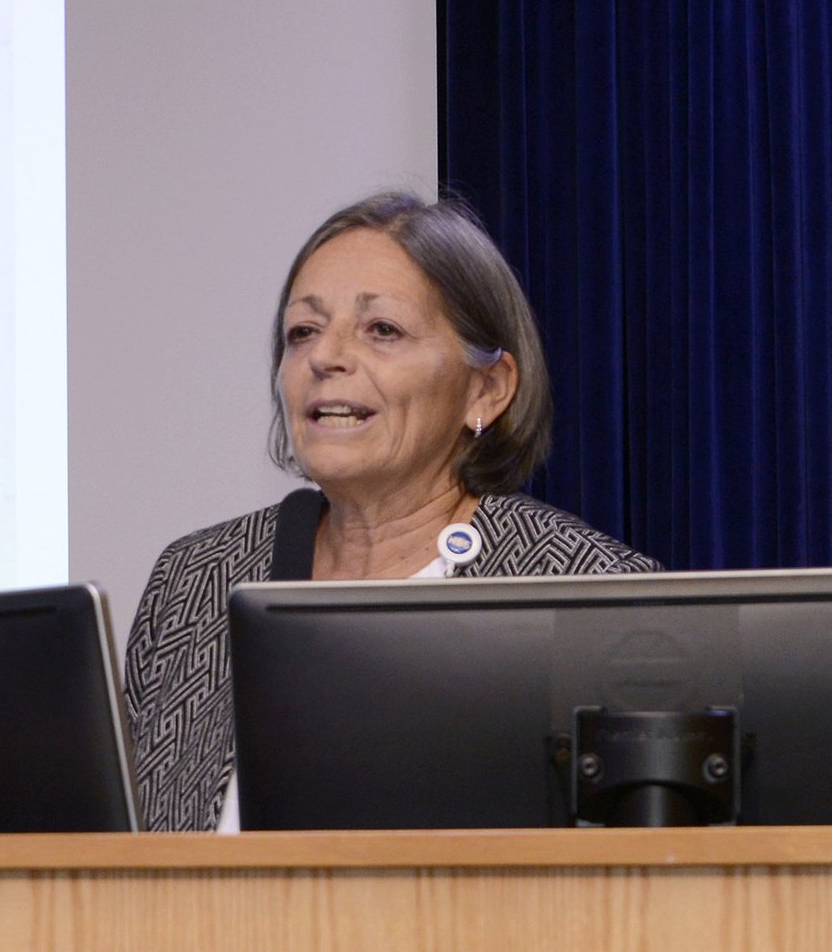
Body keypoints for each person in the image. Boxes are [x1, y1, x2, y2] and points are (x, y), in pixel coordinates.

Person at [120, 192, 660, 833]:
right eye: (303, 332)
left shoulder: (591, 593)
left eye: (382, 330)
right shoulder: (196, 581)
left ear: (486, 388)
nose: (326, 357)